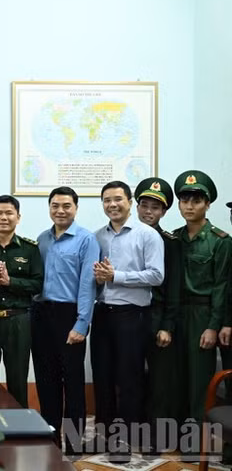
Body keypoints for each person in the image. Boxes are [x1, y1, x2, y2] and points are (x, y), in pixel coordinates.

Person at [91, 181, 164, 459]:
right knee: (103, 376)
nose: (112, 205)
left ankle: (127, 438)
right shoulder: (97, 237)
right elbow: (95, 278)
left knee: (130, 378)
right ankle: (106, 436)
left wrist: (117, 276)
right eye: (107, 200)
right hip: (102, 315)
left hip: (133, 316)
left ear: (130, 202)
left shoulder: (147, 235)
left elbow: (156, 275)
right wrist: (98, 279)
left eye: (118, 199)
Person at [32, 186, 99, 455]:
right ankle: (50, 440)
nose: (60, 211)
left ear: (76, 208)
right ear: (49, 207)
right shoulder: (41, 239)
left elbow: (88, 284)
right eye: (55, 206)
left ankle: (73, 444)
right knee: (46, 381)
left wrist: (82, 323)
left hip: (69, 315)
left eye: (66, 206)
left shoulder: (86, 240)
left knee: (72, 383)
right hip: (40, 314)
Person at [172, 171, 231, 422]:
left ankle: (196, 441)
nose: (189, 206)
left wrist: (213, 326)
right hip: (176, 315)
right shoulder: (174, 238)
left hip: (202, 315)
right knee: (176, 378)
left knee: (199, 380)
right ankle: (177, 433)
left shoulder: (220, 241)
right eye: (185, 200)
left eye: (196, 200)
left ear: (207, 204)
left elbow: (222, 287)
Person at [0, 195, 42, 408]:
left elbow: (38, 284)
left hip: (18, 321)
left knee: (17, 378)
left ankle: (18, 428)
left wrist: (11, 281)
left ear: (18, 218)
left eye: (9, 213)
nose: (4, 217)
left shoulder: (30, 249)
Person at [134, 177, 185, 447]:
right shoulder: (125, 237)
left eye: (155, 207)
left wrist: (167, 325)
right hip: (130, 318)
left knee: (160, 380)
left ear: (164, 211)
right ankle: (133, 431)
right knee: (132, 377)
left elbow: (174, 288)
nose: (148, 212)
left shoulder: (170, 242)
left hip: (157, 317)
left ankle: (158, 437)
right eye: (144, 205)